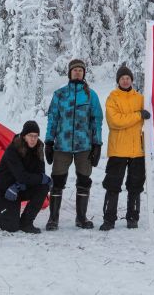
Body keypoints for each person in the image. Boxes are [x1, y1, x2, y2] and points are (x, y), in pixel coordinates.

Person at [44, 58, 103, 230]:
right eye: (75, 70)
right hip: (62, 145)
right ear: (69, 73)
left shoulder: (91, 95)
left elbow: (97, 120)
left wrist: (97, 144)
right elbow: (52, 119)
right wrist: (49, 141)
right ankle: (53, 219)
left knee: (84, 180)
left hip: (84, 146)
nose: (77, 72)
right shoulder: (60, 94)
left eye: (80, 70)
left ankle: (81, 218)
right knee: (57, 181)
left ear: (84, 73)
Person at [101, 64, 150, 231]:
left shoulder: (141, 98)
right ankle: (109, 219)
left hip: (138, 150)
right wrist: (138, 115)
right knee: (113, 185)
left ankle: (133, 218)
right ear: (118, 81)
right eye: (122, 78)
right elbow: (115, 121)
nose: (125, 81)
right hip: (118, 149)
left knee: (136, 186)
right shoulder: (112, 98)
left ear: (131, 80)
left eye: (128, 78)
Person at [0, 120, 51, 234]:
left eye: (36, 136)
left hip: (19, 188)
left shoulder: (39, 148)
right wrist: (41, 178)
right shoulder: (13, 149)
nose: (33, 139)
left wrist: (41, 180)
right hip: (4, 189)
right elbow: (22, 176)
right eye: (30, 135)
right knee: (12, 227)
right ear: (24, 136)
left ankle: (26, 223)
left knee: (43, 187)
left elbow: (40, 173)